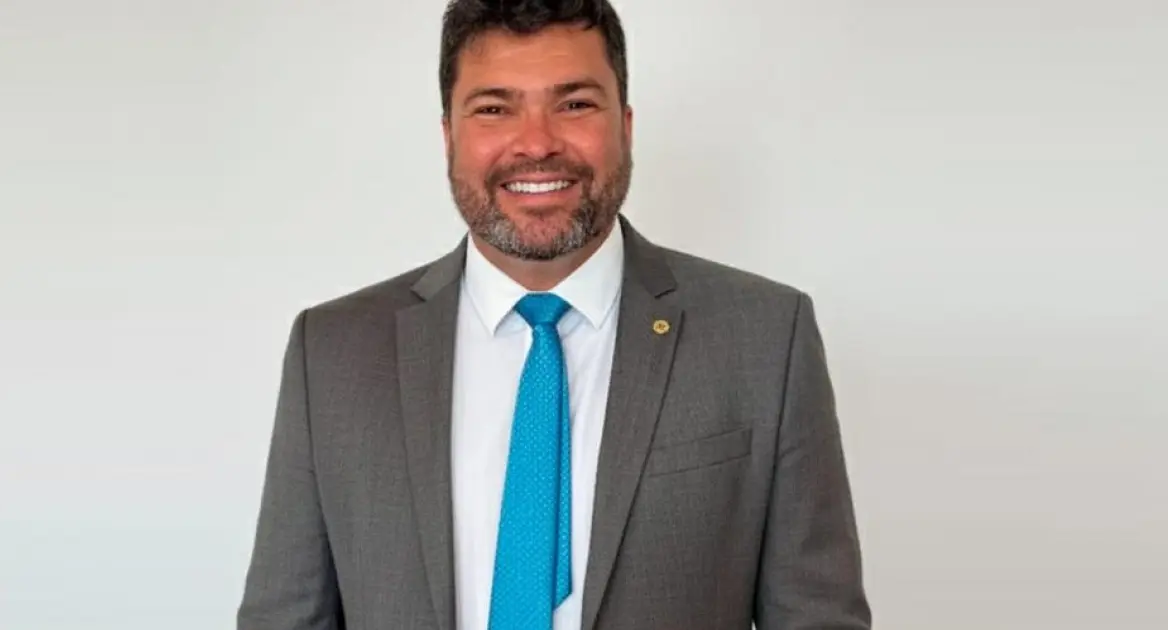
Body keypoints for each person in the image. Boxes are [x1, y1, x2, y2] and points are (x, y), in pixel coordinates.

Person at [236, 1, 872, 629]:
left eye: (574, 105)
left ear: (625, 125)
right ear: (449, 136)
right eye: (494, 109)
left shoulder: (766, 338)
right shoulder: (334, 351)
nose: (537, 143)